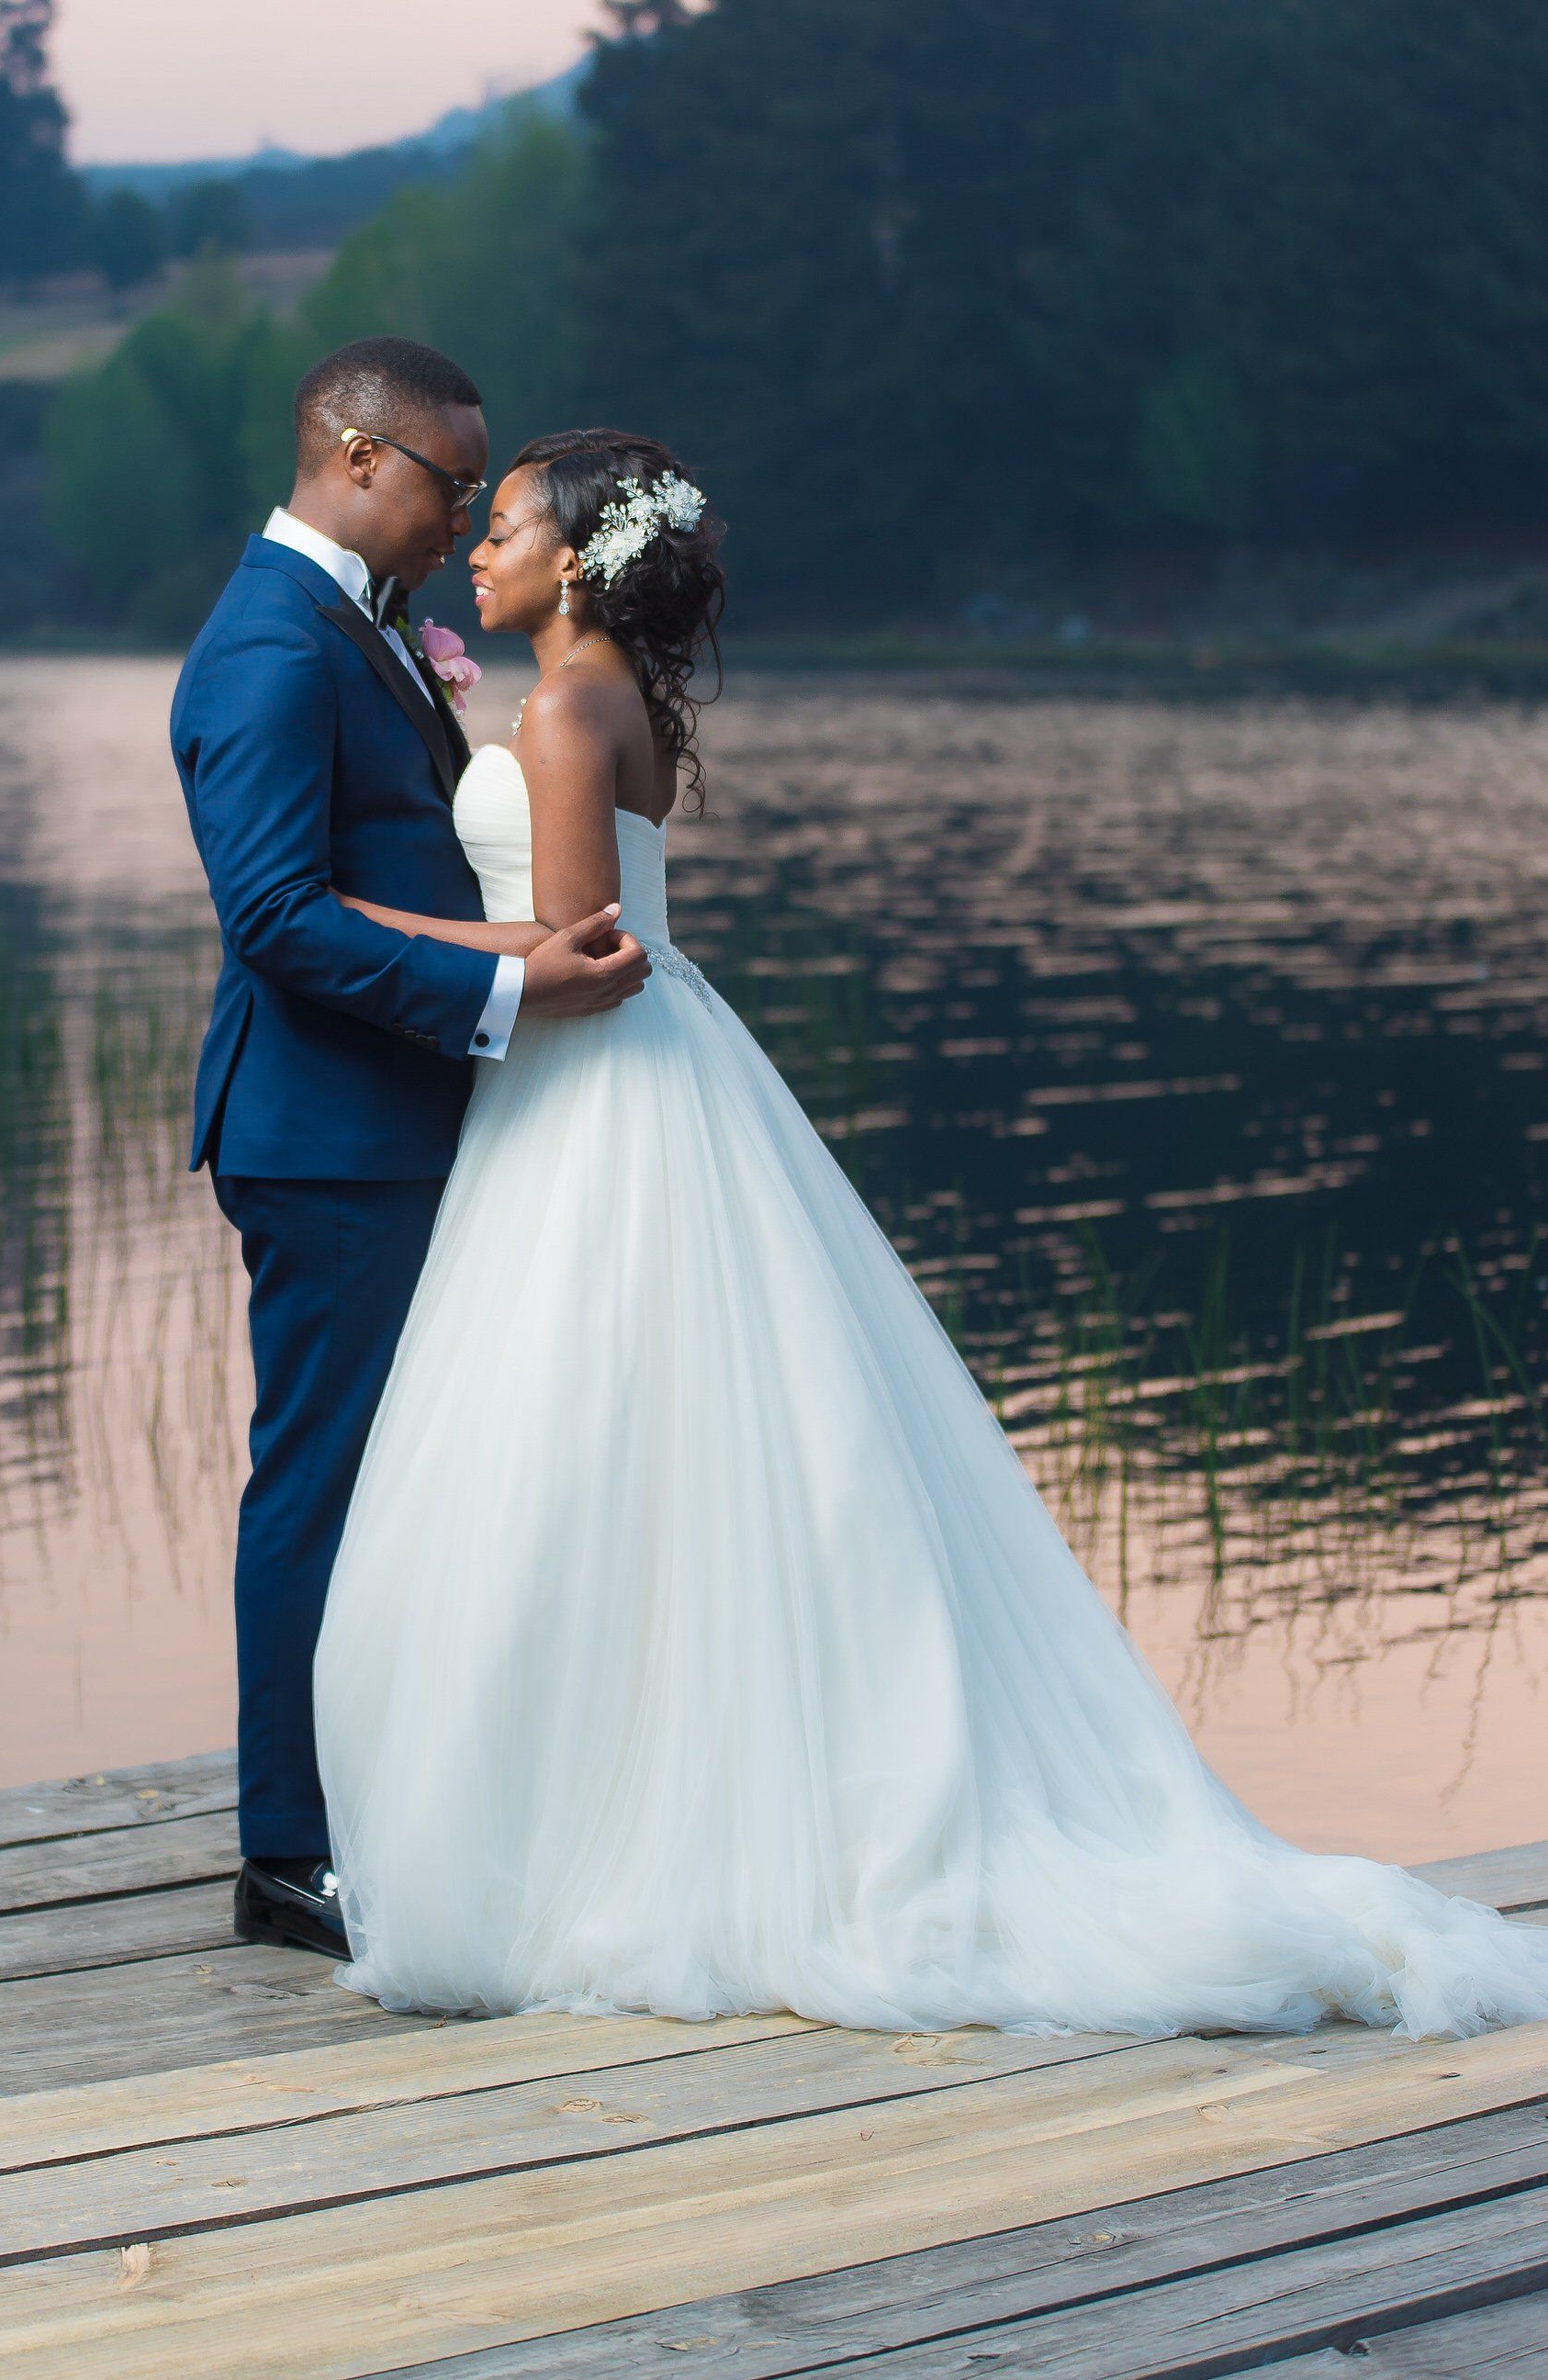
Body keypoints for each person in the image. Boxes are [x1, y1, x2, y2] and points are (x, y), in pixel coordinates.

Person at [313, 426, 1548, 2041]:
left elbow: (569, 944)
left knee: (577, 1444)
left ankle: (599, 1830)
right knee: (672, 1449)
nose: (479, 548)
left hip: (593, 1084)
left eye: (510, 526)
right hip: (666, 1069)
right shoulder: (611, 697)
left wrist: (358, 918)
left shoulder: (559, 704)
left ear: (580, 558)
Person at [173, 344, 651, 1958]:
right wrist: (503, 982)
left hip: (409, 1119)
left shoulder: (360, 632)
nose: (460, 519)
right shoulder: (266, 642)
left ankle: (404, 1796)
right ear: (365, 460)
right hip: (328, 1136)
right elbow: (275, 918)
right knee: (319, 1479)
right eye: (452, 483)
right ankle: (288, 1852)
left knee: (412, 1481)